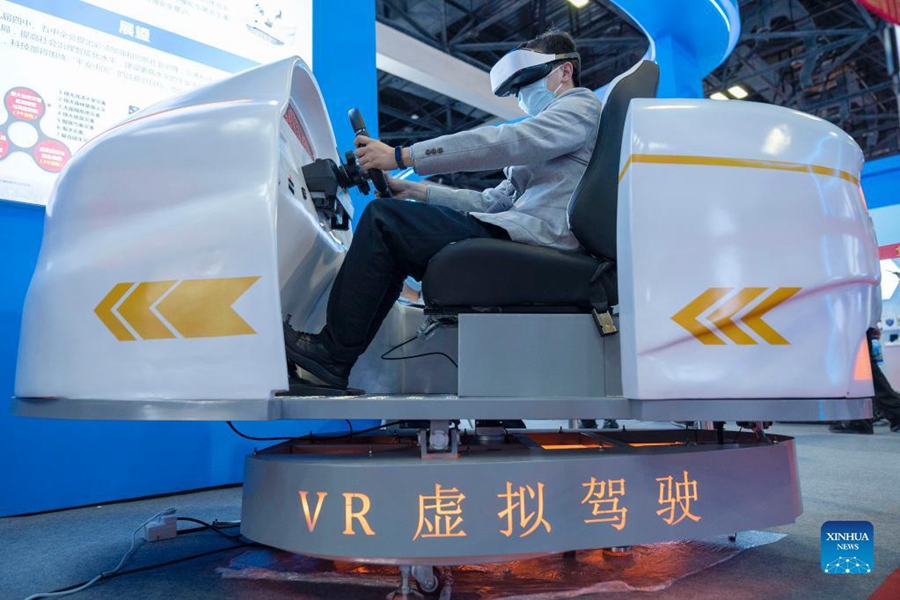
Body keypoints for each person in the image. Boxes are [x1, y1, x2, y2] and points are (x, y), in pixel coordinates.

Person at [283, 30, 603, 389]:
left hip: (543, 238)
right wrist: (413, 191)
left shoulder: (581, 107)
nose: (520, 96)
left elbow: (507, 141)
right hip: (521, 231)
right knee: (391, 228)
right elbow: (490, 202)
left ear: (564, 71)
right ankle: (335, 357)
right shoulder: (552, 137)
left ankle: (331, 353)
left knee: (382, 220)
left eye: (525, 83)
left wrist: (403, 156)